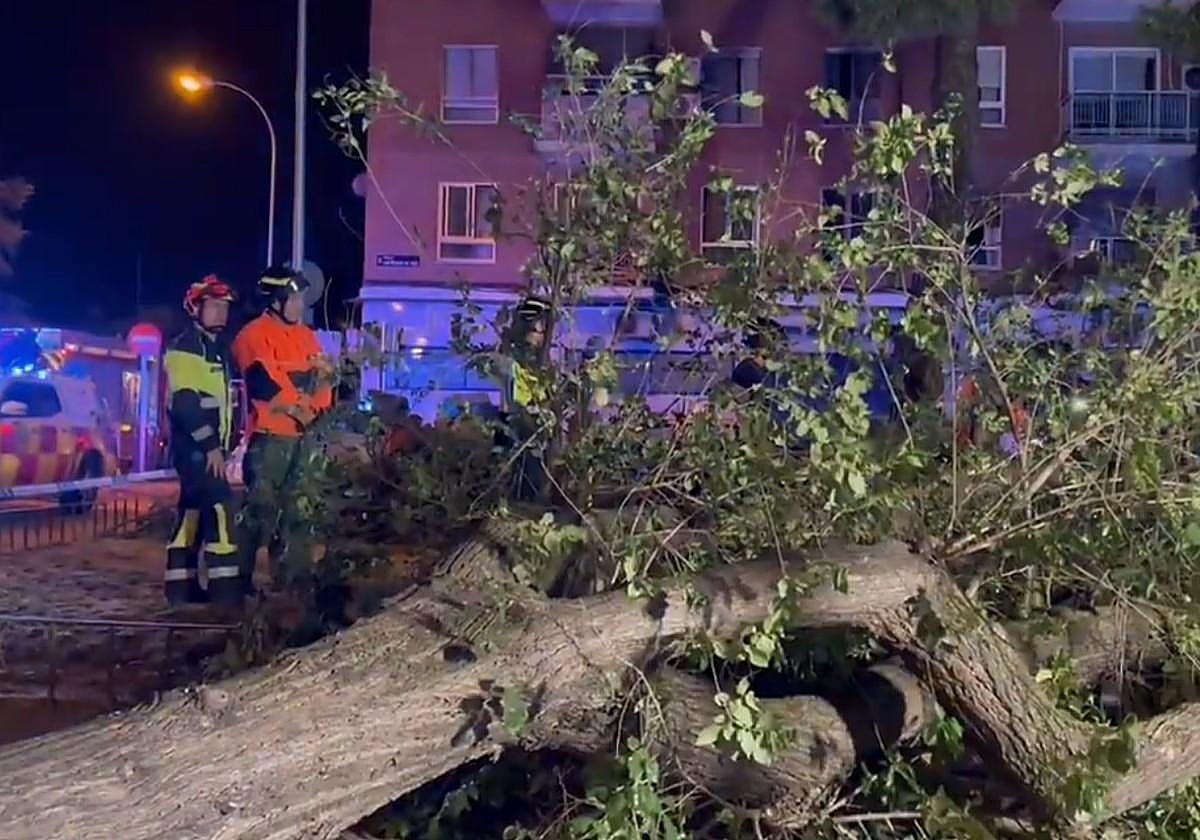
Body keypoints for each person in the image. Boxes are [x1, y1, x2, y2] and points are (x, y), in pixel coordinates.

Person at [231, 266, 334, 592]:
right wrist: (295, 407)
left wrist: (315, 407)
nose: (299, 306)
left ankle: (293, 582)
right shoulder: (253, 335)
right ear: (275, 301)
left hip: (303, 439)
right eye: (293, 299)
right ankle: (237, 580)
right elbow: (263, 381)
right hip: (270, 438)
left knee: (299, 512)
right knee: (259, 511)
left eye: (300, 299)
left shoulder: (307, 336)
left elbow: (325, 379)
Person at [163, 274, 241, 607]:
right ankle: (226, 595)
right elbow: (185, 402)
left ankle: (181, 590)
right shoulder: (186, 348)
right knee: (222, 511)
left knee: (191, 514)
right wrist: (211, 446)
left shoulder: (216, 350)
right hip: (197, 450)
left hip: (205, 449)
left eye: (224, 307)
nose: (220, 313)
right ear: (196, 308)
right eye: (213, 307)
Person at [495, 296, 551, 500]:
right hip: (524, 419)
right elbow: (514, 394)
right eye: (539, 330)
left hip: (524, 418)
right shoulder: (521, 356)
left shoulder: (524, 354)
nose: (543, 337)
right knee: (527, 473)